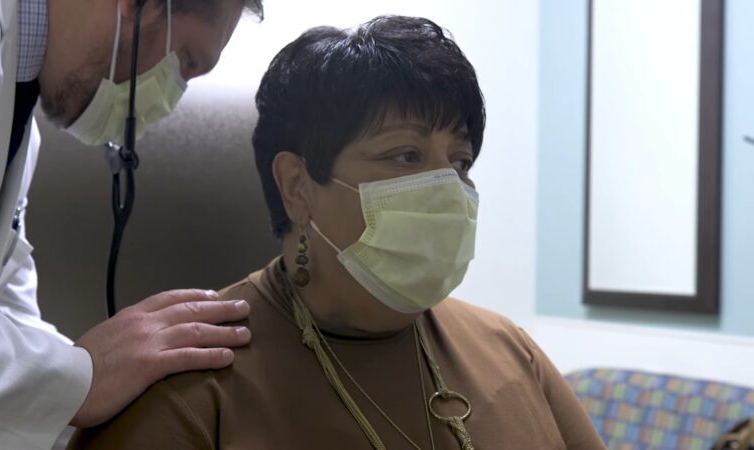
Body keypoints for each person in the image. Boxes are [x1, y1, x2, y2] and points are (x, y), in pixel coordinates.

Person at [68, 15, 607, 450]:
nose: (446, 187)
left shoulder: (509, 351)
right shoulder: (191, 390)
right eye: (405, 155)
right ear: (298, 186)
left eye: (460, 161)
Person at [0, 0, 263, 448]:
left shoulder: (18, 133)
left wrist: (131, 390)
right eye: (188, 63)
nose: (170, 97)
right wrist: (81, 376)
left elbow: (2, 312)